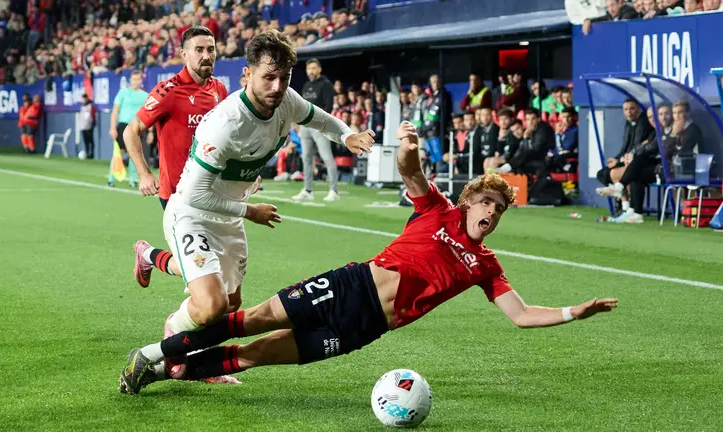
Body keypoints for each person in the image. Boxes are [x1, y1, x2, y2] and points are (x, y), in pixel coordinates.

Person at [118, 121, 619, 395]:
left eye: (500, 208)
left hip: (366, 327)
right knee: (248, 321)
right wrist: (408, 146)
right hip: (349, 285)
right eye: (487, 202)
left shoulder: (485, 265)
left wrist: (578, 311)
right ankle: (155, 353)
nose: (492, 211)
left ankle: (160, 373)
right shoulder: (437, 211)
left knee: (260, 354)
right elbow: (410, 172)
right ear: (468, 202)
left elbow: (522, 315)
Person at [126, 30, 375, 386]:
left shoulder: (285, 100)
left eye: (284, 78)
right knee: (209, 306)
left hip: (229, 215)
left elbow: (319, 118)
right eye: (268, 78)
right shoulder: (225, 124)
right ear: (247, 74)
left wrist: (346, 134)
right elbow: (195, 196)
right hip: (193, 214)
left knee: (228, 306)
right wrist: (250, 211)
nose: (276, 87)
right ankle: (173, 335)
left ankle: (193, 349)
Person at [124, 26, 229, 212]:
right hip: (177, 194)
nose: (206, 55)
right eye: (199, 50)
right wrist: (144, 174)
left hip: (213, 190)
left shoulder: (219, 89)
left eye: (210, 49)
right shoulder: (168, 91)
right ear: (184, 54)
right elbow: (131, 131)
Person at [292, 58, 339, 202]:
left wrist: (320, 123)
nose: (311, 71)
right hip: (305, 126)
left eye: (313, 68)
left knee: (326, 157)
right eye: (308, 69)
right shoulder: (306, 85)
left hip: (320, 126)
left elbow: (329, 106)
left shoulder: (326, 85)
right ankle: (308, 190)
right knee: (306, 158)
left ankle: (334, 191)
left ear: (319, 69)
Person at [108, 70, 149, 187]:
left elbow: (149, 114)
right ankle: (111, 178)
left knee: (134, 154)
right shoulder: (123, 93)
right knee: (118, 152)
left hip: (136, 126)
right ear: (130, 80)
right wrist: (112, 128)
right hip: (122, 125)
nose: (136, 81)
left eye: (138, 79)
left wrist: (150, 131)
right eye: (134, 79)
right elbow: (115, 111)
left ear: (141, 80)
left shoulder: (145, 96)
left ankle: (133, 180)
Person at [78, 93, 96, 159]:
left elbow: (93, 116)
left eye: (83, 99)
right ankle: (87, 152)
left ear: (86, 98)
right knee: (85, 141)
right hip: (83, 127)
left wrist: (92, 124)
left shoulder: (91, 106)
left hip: (89, 126)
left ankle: (91, 154)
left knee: (90, 140)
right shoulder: (82, 107)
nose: (82, 100)